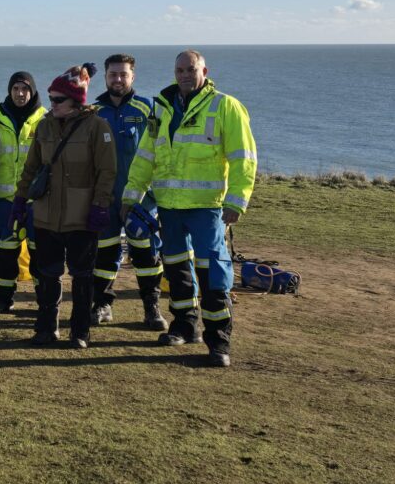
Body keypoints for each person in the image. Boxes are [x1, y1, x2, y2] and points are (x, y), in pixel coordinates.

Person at [122, 50, 257, 368]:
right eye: (179, 70)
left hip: (207, 209)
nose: (184, 74)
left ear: (204, 71)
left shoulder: (225, 106)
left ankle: (219, 341)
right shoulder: (162, 108)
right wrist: (131, 197)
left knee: (213, 275)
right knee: (177, 271)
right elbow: (145, 156)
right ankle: (184, 327)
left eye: (191, 69)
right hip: (169, 209)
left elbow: (244, 157)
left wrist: (237, 201)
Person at [13, 65, 117, 349]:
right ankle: (47, 328)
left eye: (58, 99)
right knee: (47, 274)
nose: (52, 104)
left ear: (76, 100)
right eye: (51, 98)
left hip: (81, 216)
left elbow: (107, 172)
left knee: (82, 277)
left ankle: (80, 332)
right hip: (47, 215)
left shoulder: (98, 127)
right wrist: (20, 199)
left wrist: (100, 206)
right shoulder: (44, 126)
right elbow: (31, 167)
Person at [91, 54, 167, 330]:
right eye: (113, 74)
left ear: (133, 76)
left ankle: (151, 307)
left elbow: (163, 152)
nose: (118, 79)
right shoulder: (94, 111)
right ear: (105, 77)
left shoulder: (149, 108)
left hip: (141, 199)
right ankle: (103, 304)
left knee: (146, 255)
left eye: (123, 74)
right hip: (105, 197)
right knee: (104, 253)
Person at [0, 71, 46, 313]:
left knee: (38, 252)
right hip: (6, 200)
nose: (20, 94)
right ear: (9, 91)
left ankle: (44, 300)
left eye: (25, 89)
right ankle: (3, 298)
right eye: (16, 89)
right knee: (6, 251)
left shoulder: (46, 119)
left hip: (36, 200)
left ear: (33, 92)